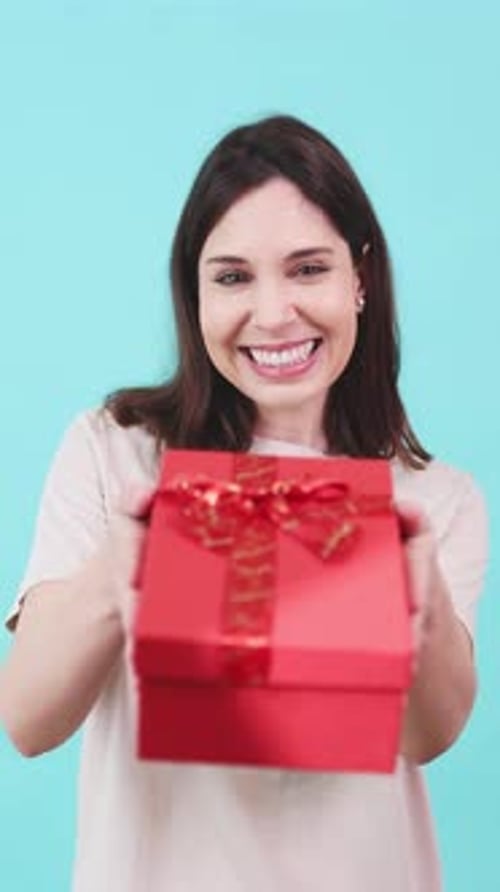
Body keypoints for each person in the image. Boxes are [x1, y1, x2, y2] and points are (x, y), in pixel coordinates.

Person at [0, 115, 488, 892]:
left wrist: (418, 595)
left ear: (359, 277)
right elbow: (28, 720)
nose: (273, 314)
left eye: (308, 269)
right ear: (194, 294)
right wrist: (123, 565)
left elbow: (426, 736)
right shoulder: (115, 451)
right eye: (232, 278)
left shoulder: (432, 498)